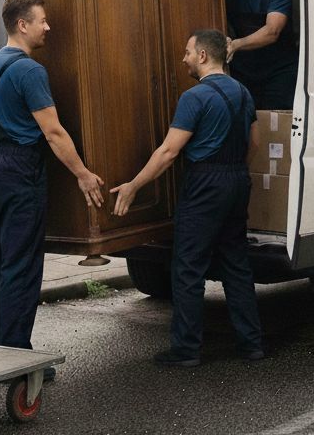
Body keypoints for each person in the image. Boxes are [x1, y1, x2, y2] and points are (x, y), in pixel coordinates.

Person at [111, 29, 264, 367]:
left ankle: (186, 350)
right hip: (237, 179)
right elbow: (254, 143)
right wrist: (235, 171)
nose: (184, 58)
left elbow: (168, 152)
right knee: (236, 265)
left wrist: (134, 186)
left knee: (188, 268)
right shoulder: (243, 92)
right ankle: (251, 345)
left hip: (206, 184)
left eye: (187, 52)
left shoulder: (194, 98)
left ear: (203, 57)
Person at [0, 0, 104, 373]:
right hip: (19, 169)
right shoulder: (30, 71)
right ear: (22, 25)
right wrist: (83, 174)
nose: (48, 27)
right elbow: (53, 132)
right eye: (42, 21)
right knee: (22, 265)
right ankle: (18, 358)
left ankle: (1, 346)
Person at [224, 0, 299, 109]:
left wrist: (236, 44)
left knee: (274, 119)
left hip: (279, 69)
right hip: (245, 68)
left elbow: (272, 31)